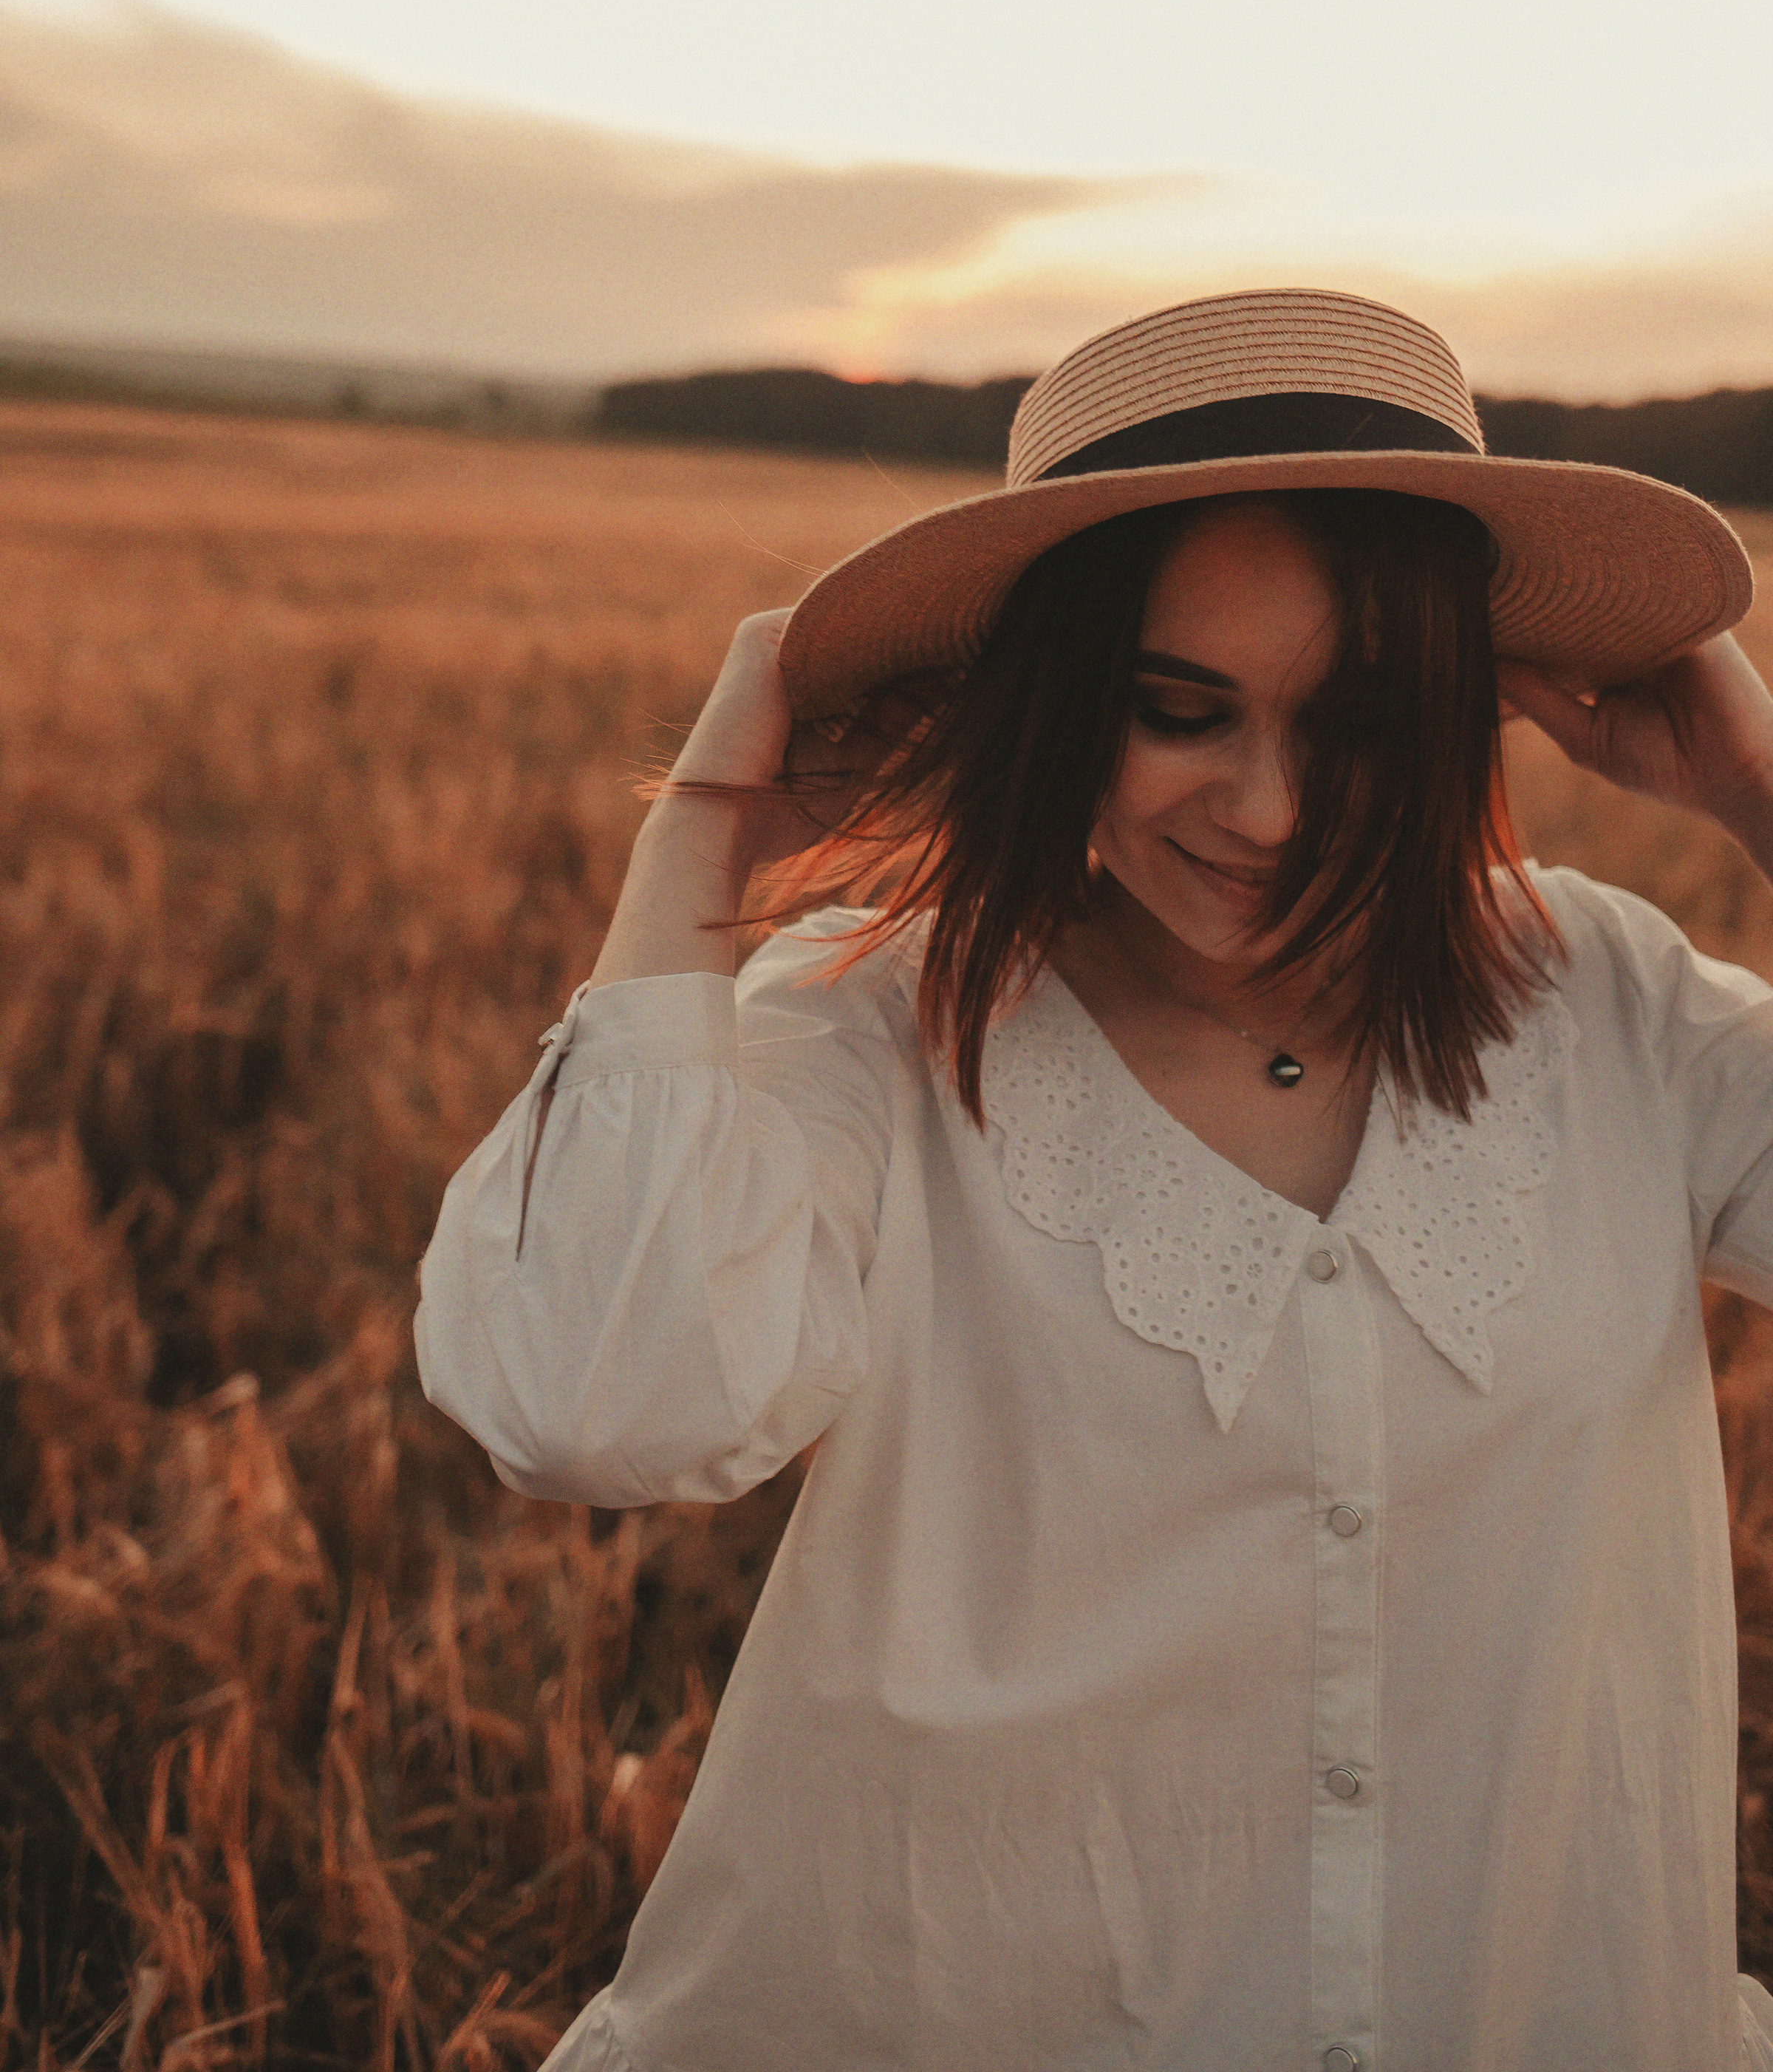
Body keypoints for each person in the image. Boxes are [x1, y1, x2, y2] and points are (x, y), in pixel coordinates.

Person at [415, 286, 1773, 2072]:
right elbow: (599, 1405)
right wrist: (704, 840)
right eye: (1175, 711)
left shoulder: (1613, 1001)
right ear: (1057, 706)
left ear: (1461, 720)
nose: (1269, 812)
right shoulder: (870, 1029)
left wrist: (1770, 794)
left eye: (1358, 725)